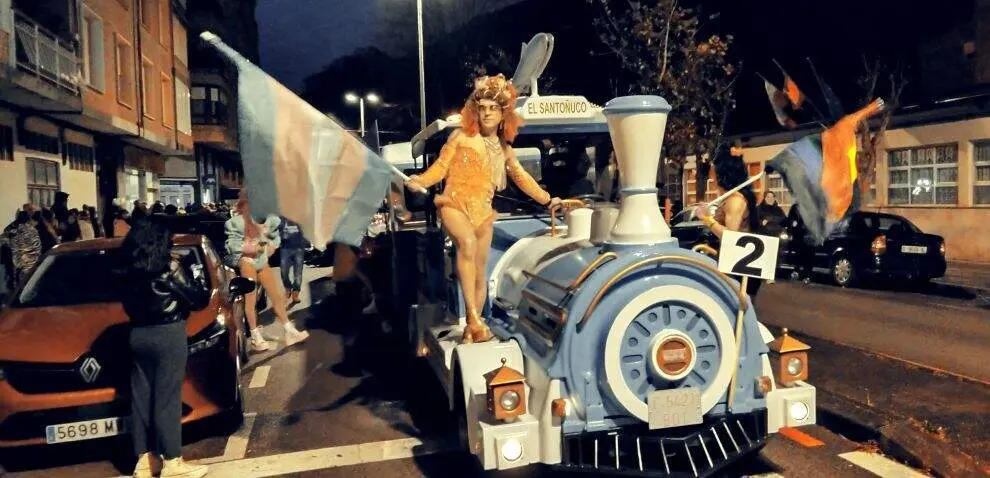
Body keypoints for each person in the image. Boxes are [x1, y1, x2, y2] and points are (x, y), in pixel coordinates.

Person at [406, 74, 561, 343]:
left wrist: (548, 200)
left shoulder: (504, 148)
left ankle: (472, 326)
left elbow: (522, 178)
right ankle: (474, 318)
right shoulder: (459, 137)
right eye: (483, 108)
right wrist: (419, 180)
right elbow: (440, 168)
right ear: (475, 111)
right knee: (465, 244)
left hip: (483, 213)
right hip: (453, 204)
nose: (487, 113)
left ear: (503, 115)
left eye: (493, 108)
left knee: (480, 271)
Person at [118, 220, 210, 478]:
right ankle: (173, 461)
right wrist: (193, 272)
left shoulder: (127, 268)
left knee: (141, 398)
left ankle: (144, 461)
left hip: (138, 333)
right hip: (168, 333)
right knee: (167, 398)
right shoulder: (169, 266)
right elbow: (197, 299)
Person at [225, 194, 309, 351]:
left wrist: (269, 245)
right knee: (251, 301)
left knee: (276, 297)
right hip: (247, 261)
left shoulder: (267, 220)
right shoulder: (235, 223)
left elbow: (275, 237)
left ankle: (289, 331)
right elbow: (232, 246)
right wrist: (255, 247)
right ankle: (256, 337)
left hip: (262, 262)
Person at [695, 147, 762, 296]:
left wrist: (707, 219)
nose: (711, 172)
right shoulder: (732, 198)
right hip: (739, 267)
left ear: (721, 172)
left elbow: (731, 238)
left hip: (739, 270)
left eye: (714, 166)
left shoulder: (735, 200)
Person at [278, 217, 308, 305]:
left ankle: (295, 293)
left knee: (298, 273)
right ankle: (288, 287)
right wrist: (282, 235)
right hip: (285, 248)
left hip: (299, 248)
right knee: (284, 272)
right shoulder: (282, 218)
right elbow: (276, 230)